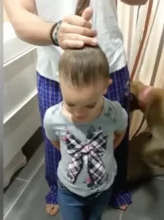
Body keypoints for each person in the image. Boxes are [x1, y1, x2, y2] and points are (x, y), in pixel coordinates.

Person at [4, 0, 149, 215]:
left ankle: (115, 187)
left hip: (109, 63)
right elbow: (18, 14)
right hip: (56, 70)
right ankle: (58, 188)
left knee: (115, 131)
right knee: (57, 134)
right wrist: (55, 32)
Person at [43, 46, 127, 220]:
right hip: (69, 190)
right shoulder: (53, 118)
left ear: (105, 86)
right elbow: (55, 142)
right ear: (60, 83)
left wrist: (104, 150)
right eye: (71, 104)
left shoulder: (114, 113)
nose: (79, 113)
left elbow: (120, 133)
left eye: (89, 105)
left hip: (103, 187)